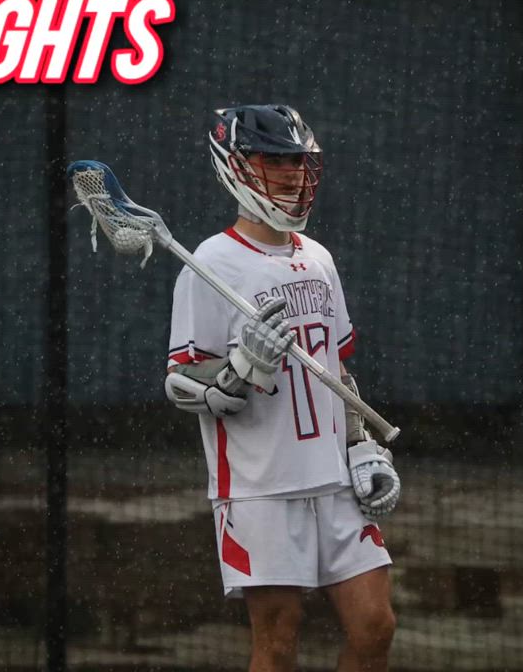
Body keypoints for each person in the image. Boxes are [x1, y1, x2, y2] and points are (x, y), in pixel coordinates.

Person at [164, 105, 402, 672]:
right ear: (236, 166)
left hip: (334, 481)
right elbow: (181, 383)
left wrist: (360, 446)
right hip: (260, 487)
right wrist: (241, 367)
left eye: (297, 161)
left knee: (375, 627)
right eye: (274, 160)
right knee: (278, 643)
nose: (292, 173)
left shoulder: (318, 258)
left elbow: (335, 371)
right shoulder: (211, 263)